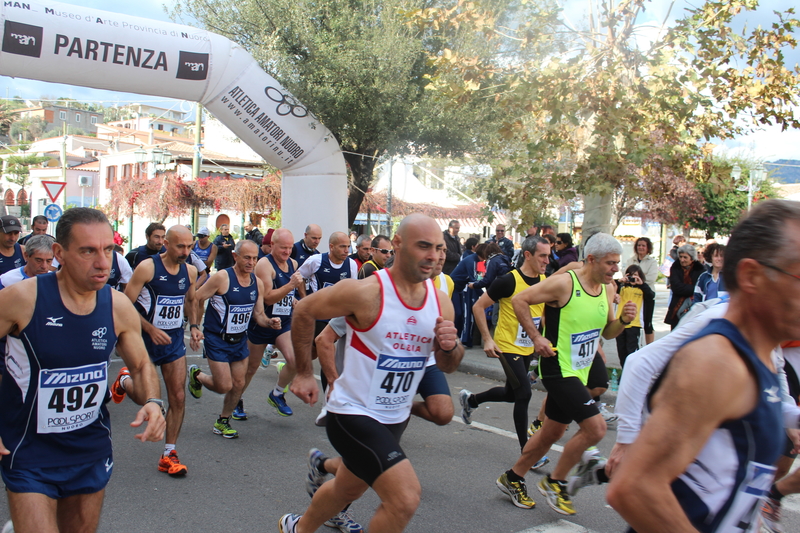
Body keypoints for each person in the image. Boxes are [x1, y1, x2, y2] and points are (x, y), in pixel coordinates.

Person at [607, 199, 800, 532]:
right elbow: (634, 489)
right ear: (752, 276)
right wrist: (625, 439)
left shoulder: (762, 353)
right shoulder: (718, 362)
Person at [281, 213, 464, 533]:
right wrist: (302, 373)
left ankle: (297, 528)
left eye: (437, 248)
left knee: (347, 489)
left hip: (394, 418)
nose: (433, 256)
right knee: (404, 499)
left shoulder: (441, 303)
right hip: (352, 414)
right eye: (423, 246)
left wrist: (450, 348)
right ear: (397, 244)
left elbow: (448, 365)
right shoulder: (366, 292)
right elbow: (304, 310)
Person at [0, 208, 165, 533]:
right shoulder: (22, 298)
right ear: (59, 253)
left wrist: (153, 402)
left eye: (108, 250)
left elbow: (142, 363)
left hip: (89, 448)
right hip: (29, 449)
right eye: (88, 251)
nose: (103, 262)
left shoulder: (117, 305)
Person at [495, 233, 636, 515]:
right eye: (610, 263)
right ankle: (556, 482)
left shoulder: (607, 289)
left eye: (617, 263)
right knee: (595, 428)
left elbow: (606, 332)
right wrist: (536, 337)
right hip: (557, 367)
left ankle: (512, 477)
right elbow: (521, 300)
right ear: (592, 259)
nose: (615, 269)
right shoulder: (564, 283)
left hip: (579, 370)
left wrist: (622, 320)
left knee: (553, 430)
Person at [122, 225, 202, 476]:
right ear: (166, 243)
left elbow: (191, 300)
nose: (185, 252)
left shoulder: (189, 271)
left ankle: (169, 453)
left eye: (189, 246)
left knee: (177, 397)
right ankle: (124, 381)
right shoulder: (147, 267)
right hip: (144, 341)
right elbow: (124, 305)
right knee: (147, 398)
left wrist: (195, 326)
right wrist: (149, 328)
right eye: (180, 246)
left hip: (173, 342)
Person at [460, 236, 550, 450]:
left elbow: (541, 313)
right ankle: (526, 450)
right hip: (506, 346)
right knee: (525, 393)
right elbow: (478, 307)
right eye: (543, 256)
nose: (547, 260)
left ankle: (471, 400)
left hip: (528, 346)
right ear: (527, 255)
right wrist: (488, 339)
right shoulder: (509, 280)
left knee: (512, 394)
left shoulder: (545, 280)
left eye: (548, 255)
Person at [187, 240, 281, 438]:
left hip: (239, 340)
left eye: (255, 258)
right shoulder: (222, 277)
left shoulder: (257, 283)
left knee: (238, 384)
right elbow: (196, 298)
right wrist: (194, 326)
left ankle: (223, 420)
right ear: (235, 256)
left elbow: (259, 314)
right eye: (247, 257)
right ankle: (197, 376)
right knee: (224, 385)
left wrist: (269, 322)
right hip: (217, 338)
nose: (251, 262)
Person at [240, 228, 304, 420]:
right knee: (251, 368)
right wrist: (290, 287)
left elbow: (287, 294)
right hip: (262, 323)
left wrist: (294, 300)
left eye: (290, 247)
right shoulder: (264, 265)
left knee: (295, 360)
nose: (287, 252)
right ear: (273, 245)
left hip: (283, 323)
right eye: (283, 248)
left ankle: (277, 394)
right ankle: (236, 399)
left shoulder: (292, 263)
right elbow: (267, 298)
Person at [297, 231, 358, 404]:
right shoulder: (316, 261)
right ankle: (329, 394)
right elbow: (298, 277)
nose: (347, 250)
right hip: (319, 315)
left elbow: (352, 289)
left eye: (348, 246)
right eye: (342, 246)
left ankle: (293, 367)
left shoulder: (351, 265)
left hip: (340, 316)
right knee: (323, 352)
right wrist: (305, 299)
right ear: (331, 247)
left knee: (322, 353)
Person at [0, 234, 54, 386]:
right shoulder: (7, 281)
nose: (44, 266)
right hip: (8, 351)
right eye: (38, 260)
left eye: (49, 261)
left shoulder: (57, 283)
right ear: (26, 256)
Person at [614, 265, 654, 368]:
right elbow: (610, 288)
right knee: (621, 351)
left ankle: (630, 371)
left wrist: (642, 284)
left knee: (631, 351)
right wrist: (620, 281)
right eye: (630, 275)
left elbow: (651, 295)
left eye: (635, 275)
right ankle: (624, 371)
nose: (633, 278)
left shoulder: (642, 290)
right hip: (620, 323)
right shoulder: (622, 288)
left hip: (634, 324)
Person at [450, 243, 487, 347]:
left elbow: (479, 279)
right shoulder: (471, 260)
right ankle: (454, 338)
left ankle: (459, 339)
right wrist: (484, 296)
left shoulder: (480, 262)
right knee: (458, 313)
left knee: (462, 314)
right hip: (454, 287)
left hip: (461, 289)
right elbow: (474, 280)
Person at [624, 237, 659, 345]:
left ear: (648, 247)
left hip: (646, 295)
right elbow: (626, 274)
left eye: (643, 245)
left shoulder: (652, 262)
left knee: (647, 323)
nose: (641, 247)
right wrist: (637, 278)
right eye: (639, 245)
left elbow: (652, 278)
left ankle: (649, 346)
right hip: (632, 294)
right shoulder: (630, 260)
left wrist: (638, 280)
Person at [664, 243, 705, 329]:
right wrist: (693, 289)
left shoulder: (700, 269)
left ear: (692, 258)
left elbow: (701, 289)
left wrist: (690, 289)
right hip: (676, 307)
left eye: (685, 257)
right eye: (681, 257)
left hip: (693, 307)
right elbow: (676, 287)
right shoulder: (675, 267)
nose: (682, 260)